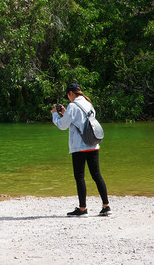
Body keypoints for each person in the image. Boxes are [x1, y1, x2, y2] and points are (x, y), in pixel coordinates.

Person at [51, 83, 110, 217]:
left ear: (70, 93)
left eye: (68, 95)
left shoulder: (73, 106)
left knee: (79, 177)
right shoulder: (89, 104)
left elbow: (62, 125)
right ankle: (106, 206)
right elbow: (80, 121)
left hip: (79, 147)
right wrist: (65, 113)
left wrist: (55, 114)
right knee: (97, 175)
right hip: (93, 144)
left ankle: (82, 209)